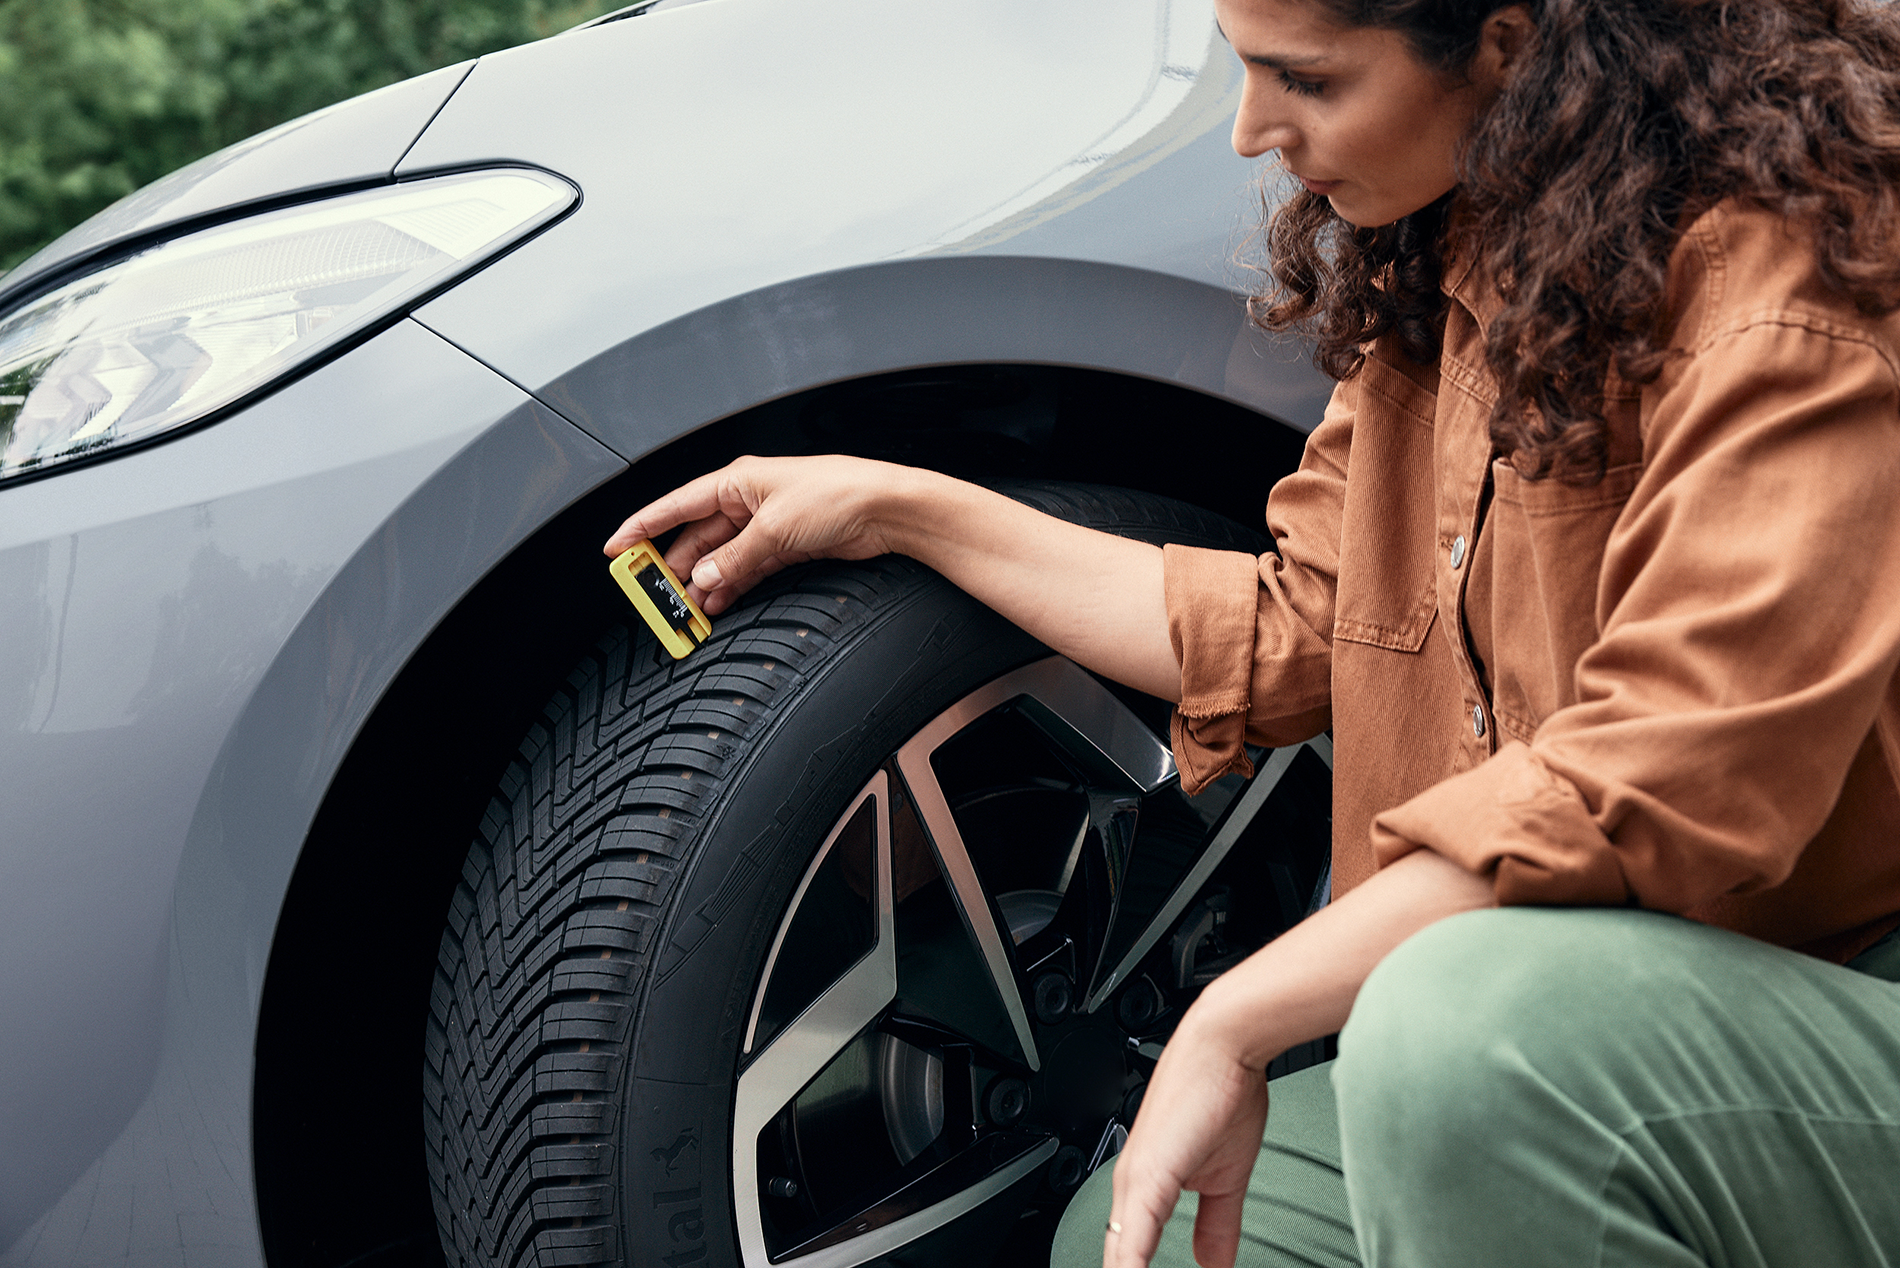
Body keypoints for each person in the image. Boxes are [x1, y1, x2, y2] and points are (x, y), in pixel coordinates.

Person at [604, 0, 1900, 1263]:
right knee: (1145, 1235)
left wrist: (1236, 1017)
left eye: (1310, 80)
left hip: (1829, 993)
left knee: (1452, 1026)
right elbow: (1296, 628)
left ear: (1513, 46)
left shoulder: (1788, 287)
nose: (1249, 130)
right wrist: (900, 508)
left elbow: (1668, 779)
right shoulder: (1454, 267)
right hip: (1557, 1024)